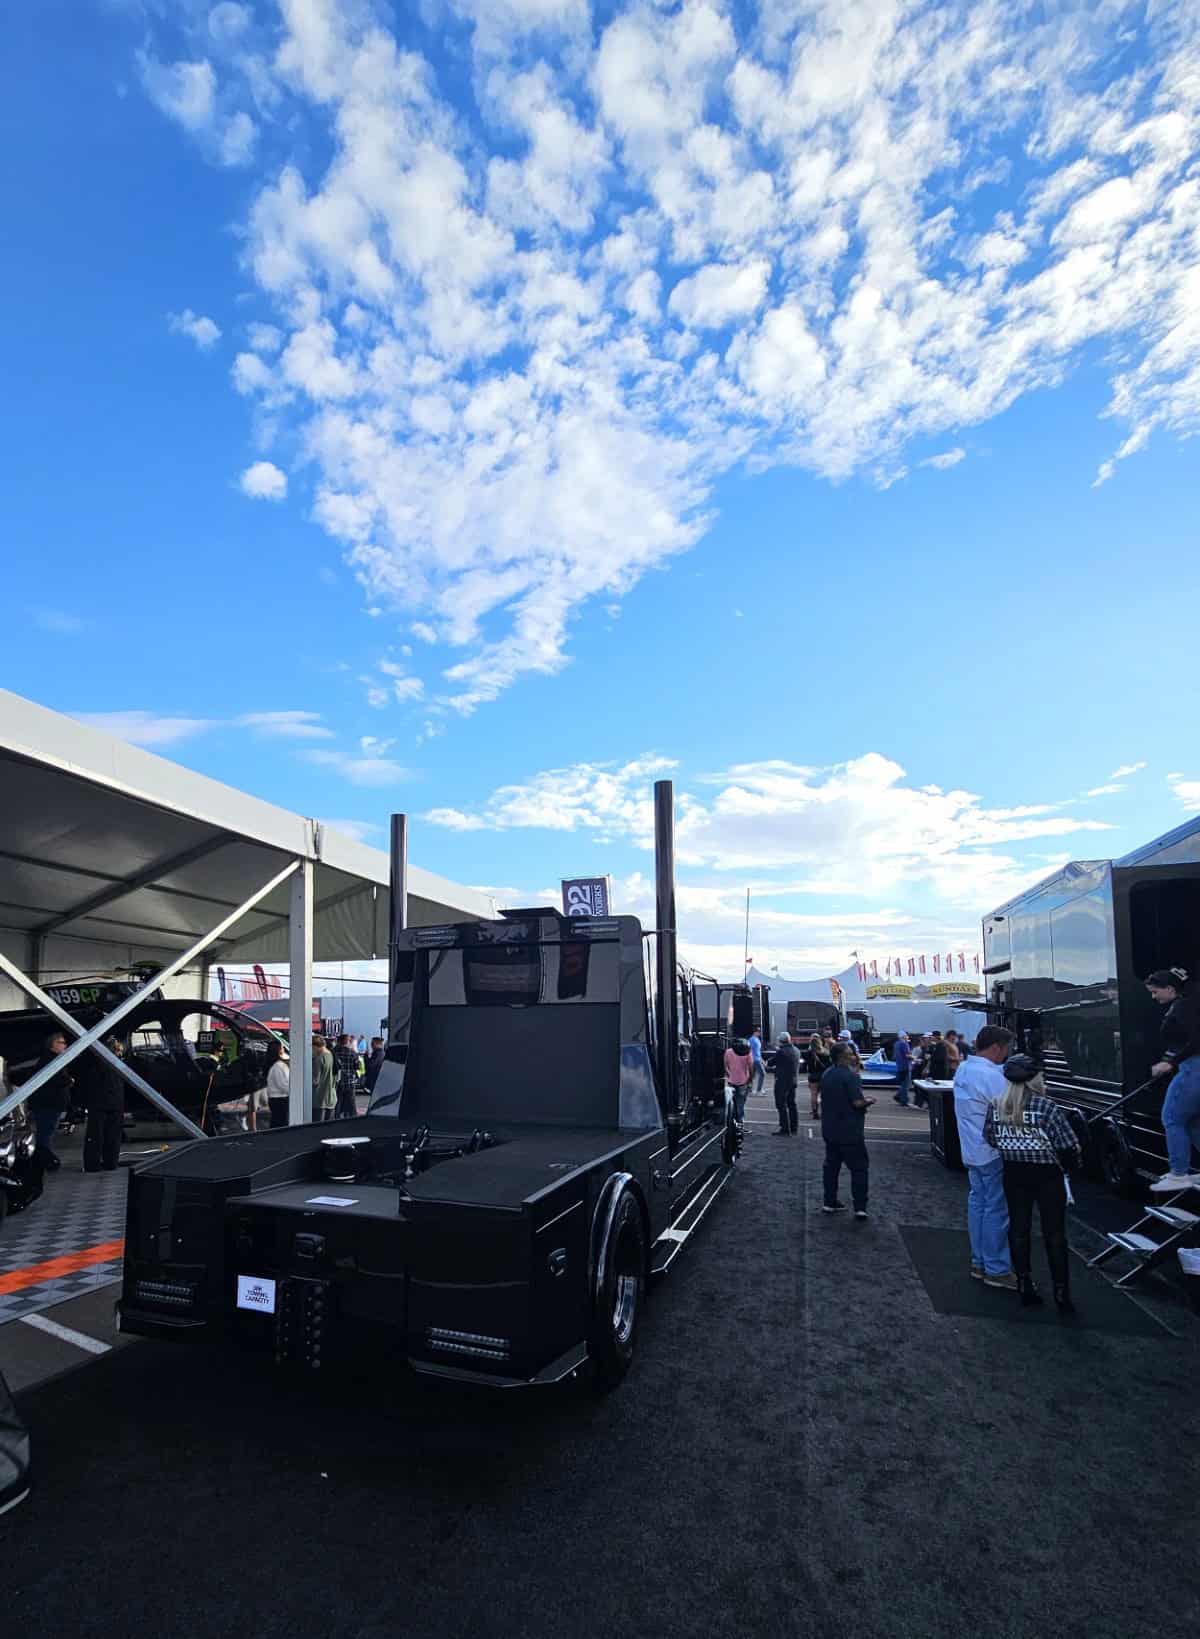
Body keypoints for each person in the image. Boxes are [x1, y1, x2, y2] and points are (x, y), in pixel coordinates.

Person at [984, 1054, 1081, 1310]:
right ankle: (1061, 1292)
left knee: (1018, 1230)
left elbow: (990, 1138)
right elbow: (1067, 1144)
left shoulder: (996, 1105)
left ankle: (1024, 1284)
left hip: (1014, 1173)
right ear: (1034, 1079)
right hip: (1048, 1176)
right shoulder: (1045, 1106)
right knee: (1055, 1234)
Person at [953, 1026, 1017, 1288]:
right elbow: (1012, 1110)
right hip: (992, 1151)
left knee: (978, 1205)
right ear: (996, 1047)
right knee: (996, 1211)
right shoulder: (991, 1075)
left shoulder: (964, 1069)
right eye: (1007, 1049)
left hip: (971, 1150)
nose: (1007, 1054)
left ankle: (979, 1262)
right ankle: (997, 1269)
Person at [1145, 967, 1200, 1192]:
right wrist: (1169, 1061)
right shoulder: (1187, 1004)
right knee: (1192, 1121)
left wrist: (1171, 1062)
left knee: (1171, 1118)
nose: (1153, 996)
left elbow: (1196, 1040)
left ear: (1169, 988)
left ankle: (1178, 1175)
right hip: (1191, 1067)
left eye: (1155, 991)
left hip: (1193, 1069)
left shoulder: (1183, 1007)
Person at [820, 1044, 874, 1218]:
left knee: (831, 1167)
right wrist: (869, 1101)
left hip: (830, 1128)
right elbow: (857, 1102)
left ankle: (829, 1202)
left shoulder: (827, 1074)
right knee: (859, 1168)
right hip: (850, 1130)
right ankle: (860, 1207)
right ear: (843, 1057)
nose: (854, 1056)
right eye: (850, 1054)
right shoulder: (851, 1076)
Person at [25, 1031, 75, 1172]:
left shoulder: (51, 1059)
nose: (65, 1045)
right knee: (45, 1135)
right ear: (52, 1045)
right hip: (48, 1105)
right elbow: (56, 1079)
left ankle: (43, 1161)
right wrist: (69, 1080)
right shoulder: (51, 1060)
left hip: (49, 1104)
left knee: (45, 1133)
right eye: (62, 1042)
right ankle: (44, 1162)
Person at [82, 1037, 126, 1172]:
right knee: (112, 1136)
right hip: (114, 1103)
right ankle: (110, 1162)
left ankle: (93, 1164)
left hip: (99, 1103)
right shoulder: (117, 1065)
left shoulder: (96, 1063)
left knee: (96, 1135)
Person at [772, 1033, 801, 1135]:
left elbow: (772, 1062)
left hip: (782, 1081)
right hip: (793, 1080)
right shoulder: (796, 1050)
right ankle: (794, 1127)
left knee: (781, 1104)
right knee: (792, 1104)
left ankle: (785, 1128)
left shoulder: (781, 1052)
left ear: (781, 1041)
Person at [724, 1036, 753, 1125]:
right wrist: (750, 1080)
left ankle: (732, 1121)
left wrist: (729, 1074)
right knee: (740, 1103)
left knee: (731, 1102)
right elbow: (751, 1067)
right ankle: (740, 1122)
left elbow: (725, 1065)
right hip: (743, 1081)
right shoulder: (747, 1052)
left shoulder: (728, 1052)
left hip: (731, 1080)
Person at [334, 1033, 361, 1119]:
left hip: (337, 1082)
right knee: (351, 1103)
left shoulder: (334, 1052)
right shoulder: (353, 1053)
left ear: (339, 1041)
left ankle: (336, 1118)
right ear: (348, 1042)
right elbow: (357, 1067)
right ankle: (352, 1118)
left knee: (338, 1102)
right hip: (350, 1081)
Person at [265, 1041, 291, 1128]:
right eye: (282, 1047)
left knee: (278, 1122)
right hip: (279, 1099)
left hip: (278, 1098)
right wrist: (294, 1091)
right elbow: (282, 1085)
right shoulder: (278, 1066)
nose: (284, 1049)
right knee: (279, 1123)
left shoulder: (278, 1065)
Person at [805, 1032, 830, 1119]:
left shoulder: (809, 1053)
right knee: (824, 1095)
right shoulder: (826, 1053)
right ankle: (825, 1111)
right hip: (824, 1076)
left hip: (813, 1076)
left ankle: (815, 1112)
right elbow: (829, 1065)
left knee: (814, 1094)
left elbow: (807, 1065)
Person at [312, 1034, 336, 1122]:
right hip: (331, 1097)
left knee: (317, 1127)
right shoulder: (331, 1055)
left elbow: (315, 1081)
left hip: (319, 1099)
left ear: (315, 1046)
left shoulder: (318, 1059)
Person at [911, 1035, 933, 1107]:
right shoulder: (923, 1049)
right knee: (918, 1087)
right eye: (923, 1040)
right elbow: (923, 1058)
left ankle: (923, 1103)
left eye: (924, 1040)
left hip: (923, 1070)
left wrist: (925, 1068)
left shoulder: (928, 1049)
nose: (923, 1041)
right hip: (920, 1069)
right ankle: (918, 1103)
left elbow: (928, 1060)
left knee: (922, 1088)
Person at [892, 1031, 913, 1107]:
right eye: (906, 1035)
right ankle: (904, 1100)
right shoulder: (904, 1043)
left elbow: (894, 1056)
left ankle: (898, 1096)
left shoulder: (896, 1044)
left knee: (904, 1083)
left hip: (899, 1066)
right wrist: (915, 1058)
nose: (908, 1036)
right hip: (906, 1066)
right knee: (906, 1084)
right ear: (903, 1036)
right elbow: (907, 1055)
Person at [747, 1028, 766, 1098]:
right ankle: (758, 1090)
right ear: (755, 1032)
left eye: (760, 1032)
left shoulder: (757, 1039)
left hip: (757, 1059)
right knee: (762, 1074)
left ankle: (750, 1091)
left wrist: (762, 1060)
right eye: (758, 1032)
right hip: (755, 1060)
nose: (760, 1033)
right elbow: (748, 1049)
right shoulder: (751, 1040)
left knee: (752, 1076)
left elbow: (758, 1051)